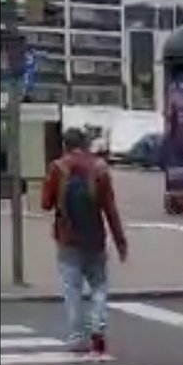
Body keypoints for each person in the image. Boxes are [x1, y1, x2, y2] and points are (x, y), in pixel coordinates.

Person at [41, 127, 128, 353]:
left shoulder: (58, 168)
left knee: (72, 290)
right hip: (95, 238)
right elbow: (110, 209)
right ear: (86, 144)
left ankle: (77, 337)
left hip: (68, 239)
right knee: (99, 285)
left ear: (65, 145)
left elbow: (45, 204)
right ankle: (98, 326)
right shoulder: (99, 169)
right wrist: (120, 242)